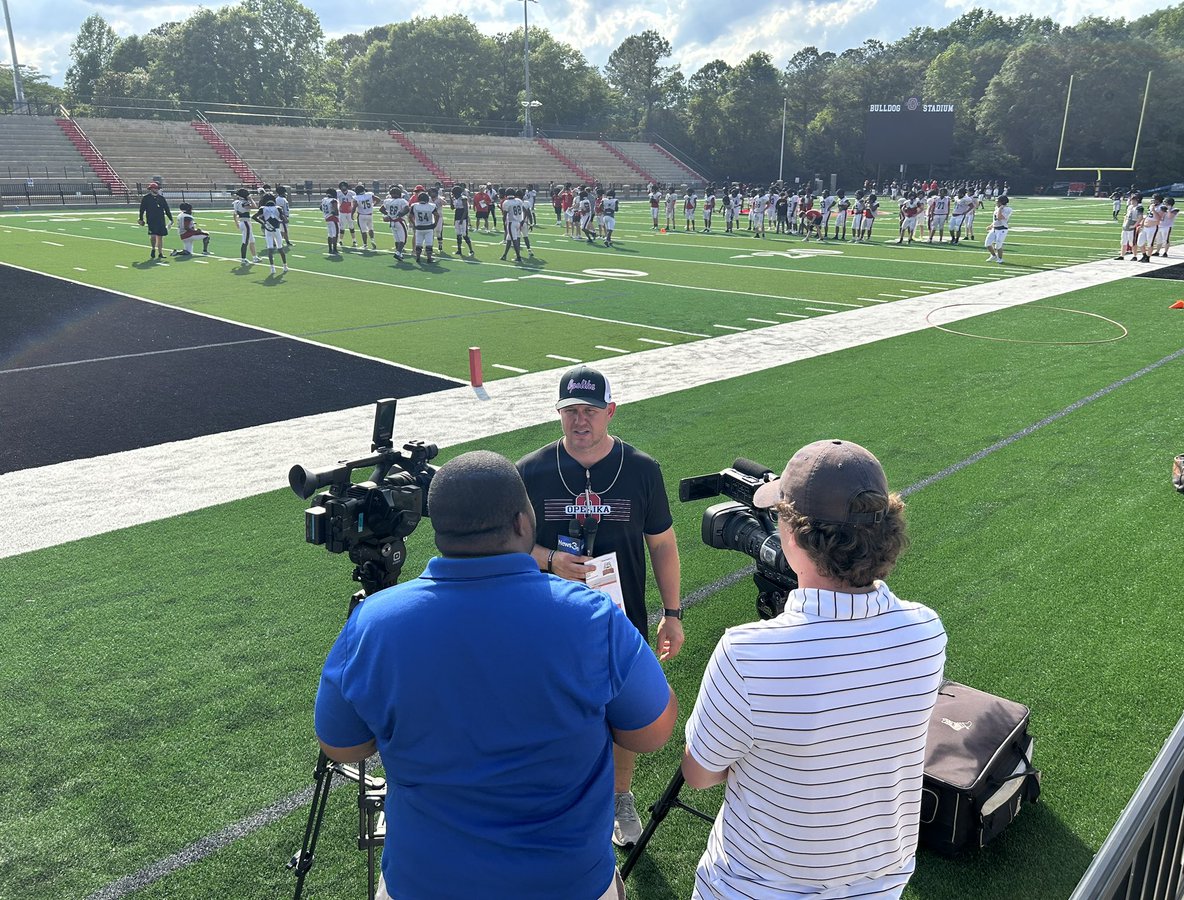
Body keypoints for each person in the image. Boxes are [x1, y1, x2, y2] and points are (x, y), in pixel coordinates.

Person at [315, 451, 677, 900]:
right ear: (525, 523)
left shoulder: (373, 622)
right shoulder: (589, 617)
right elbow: (652, 732)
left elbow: (343, 745)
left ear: (438, 527)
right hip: (566, 883)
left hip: (425, 883)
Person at [683, 439, 946, 900]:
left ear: (794, 536)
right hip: (879, 886)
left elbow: (700, 774)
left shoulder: (746, 656)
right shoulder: (927, 631)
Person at [516, 365, 683, 848]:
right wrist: (550, 559)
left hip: (619, 618)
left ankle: (620, 796)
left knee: (620, 713)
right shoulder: (532, 471)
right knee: (552, 709)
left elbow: (663, 545)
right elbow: (508, 546)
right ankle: (557, 794)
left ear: (611, 411)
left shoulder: (641, 469)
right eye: (570, 411)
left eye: (590, 410)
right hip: (547, 617)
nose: (580, 420)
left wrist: (672, 615)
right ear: (559, 415)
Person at [251, 193, 287, 275]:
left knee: (270, 249)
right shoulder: (278, 208)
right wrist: (281, 220)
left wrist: (263, 223)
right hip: (276, 229)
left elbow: (254, 217)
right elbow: (284, 219)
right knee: (280, 248)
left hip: (268, 230)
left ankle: (272, 268)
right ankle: (285, 266)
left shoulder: (262, 208)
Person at [137, 182, 172, 260]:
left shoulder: (161, 198)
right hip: (151, 219)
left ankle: (160, 253)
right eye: (154, 188)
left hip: (161, 219)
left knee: (160, 237)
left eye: (156, 188)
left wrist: (171, 219)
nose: (155, 190)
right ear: (151, 189)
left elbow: (166, 209)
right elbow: (142, 209)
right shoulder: (146, 198)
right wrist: (141, 218)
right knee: (153, 236)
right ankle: (153, 248)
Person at [381, 185, 410, 262]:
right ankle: (398, 253)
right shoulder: (402, 201)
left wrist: (389, 215)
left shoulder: (387, 201)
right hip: (400, 221)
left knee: (397, 239)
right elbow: (407, 209)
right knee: (403, 239)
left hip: (392, 222)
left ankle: (399, 254)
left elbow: (381, 209)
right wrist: (399, 214)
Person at [232, 187, 259, 264]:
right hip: (246, 222)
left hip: (243, 222)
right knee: (245, 241)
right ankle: (243, 259)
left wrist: (236, 223)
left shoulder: (236, 202)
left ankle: (254, 257)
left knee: (252, 240)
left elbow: (235, 214)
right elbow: (255, 206)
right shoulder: (243, 202)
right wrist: (250, 199)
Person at [985, 194, 1012, 263]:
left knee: (998, 245)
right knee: (987, 244)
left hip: (1002, 229)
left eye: (997, 201)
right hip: (994, 229)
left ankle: (1000, 258)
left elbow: (1000, 217)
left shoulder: (1008, 209)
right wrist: (991, 225)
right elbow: (996, 219)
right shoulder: (997, 208)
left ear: (1002, 202)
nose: (996, 202)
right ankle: (993, 255)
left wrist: (1000, 209)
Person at [320, 187, 340, 256]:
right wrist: (335, 213)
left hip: (327, 218)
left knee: (330, 234)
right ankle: (334, 249)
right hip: (333, 218)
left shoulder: (324, 200)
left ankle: (330, 249)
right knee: (335, 234)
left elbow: (320, 208)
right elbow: (336, 211)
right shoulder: (333, 200)